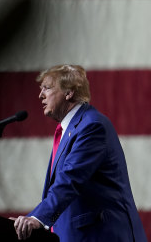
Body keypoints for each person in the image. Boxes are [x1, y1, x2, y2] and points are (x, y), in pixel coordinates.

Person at [11, 64, 147, 241]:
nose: (40, 95)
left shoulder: (91, 126)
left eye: (47, 88)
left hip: (103, 236)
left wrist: (37, 217)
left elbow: (70, 179)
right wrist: (32, 218)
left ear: (69, 92)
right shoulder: (70, 129)